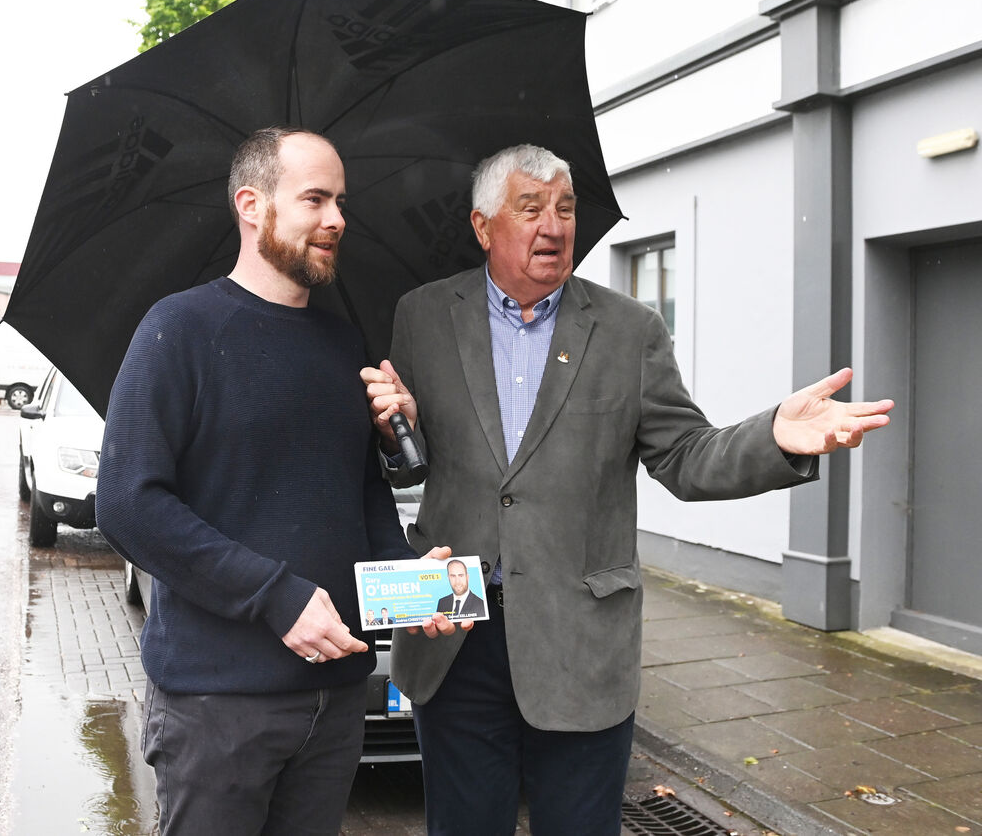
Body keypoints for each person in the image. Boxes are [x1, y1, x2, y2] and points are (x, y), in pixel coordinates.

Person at [360, 143, 894, 836]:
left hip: (583, 642)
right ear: (484, 225)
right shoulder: (423, 316)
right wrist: (394, 428)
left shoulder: (627, 330)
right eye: (531, 208)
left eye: (565, 208)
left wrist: (774, 437)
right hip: (455, 634)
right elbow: (409, 470)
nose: (554, 226)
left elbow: (685, 456)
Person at [95, 127, 459, 836]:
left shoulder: (342, 345)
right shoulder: (180, 330)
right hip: (216, 707)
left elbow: (359, 499)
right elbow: (129, 505)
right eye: (316, 199)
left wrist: (408, 582)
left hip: (334, 701)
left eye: (341, 202)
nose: (338, 221)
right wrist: (275, 595)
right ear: (252, 205)